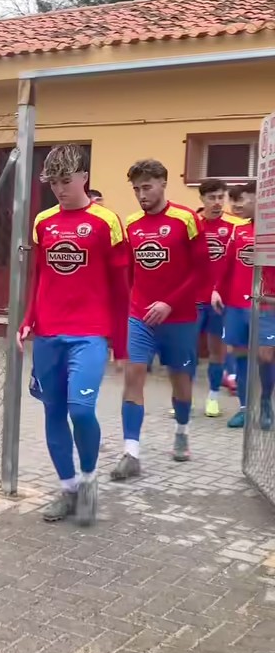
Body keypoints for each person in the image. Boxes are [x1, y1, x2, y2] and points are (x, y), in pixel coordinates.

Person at [17, 145, 129, 525]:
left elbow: (121, 287)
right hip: (48, 333)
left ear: (84, 177)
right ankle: (67, 489)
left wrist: (121, 343)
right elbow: (38, 277)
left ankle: (89, 479)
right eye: (53, 183)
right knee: (53, 411)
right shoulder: (43, 221)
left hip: (90, 334)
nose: (60, 190)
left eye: (66, 181)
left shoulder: (106, 222)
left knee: (81, 410)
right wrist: (27, 319)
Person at [111, 159, 210, 480]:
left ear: (163, 183)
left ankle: (181, 430)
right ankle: (131, 452)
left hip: (179, 318)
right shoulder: (132, 224)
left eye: (147, 187)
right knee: (133, 375)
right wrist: (128, 306)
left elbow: (201, 271)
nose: (141, 194)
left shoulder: (186, 219)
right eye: (137, 189)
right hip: (140, 315)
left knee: (180, 381)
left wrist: (169, 303)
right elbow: (128, 271)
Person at [211, 180, 275, 430]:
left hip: (267, 305)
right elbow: (226, 266)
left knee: (265, 355)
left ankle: (265, 401)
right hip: (236, 305)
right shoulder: (239, 232)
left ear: (261, 200)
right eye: (233, 199)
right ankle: (245, 408)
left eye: (242, 199)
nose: (235, 205)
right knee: (239, 354)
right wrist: (217, 291)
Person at [196, 178, 248, 418]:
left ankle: (213, 397)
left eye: (221, 197)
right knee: (187, 351)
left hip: (220, 301)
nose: (217, 203)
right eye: (212, 198)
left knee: (218, 351)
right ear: (202, 199)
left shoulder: (235, 226)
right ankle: (181, 397)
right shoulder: (192, 224)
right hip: (193, 299)